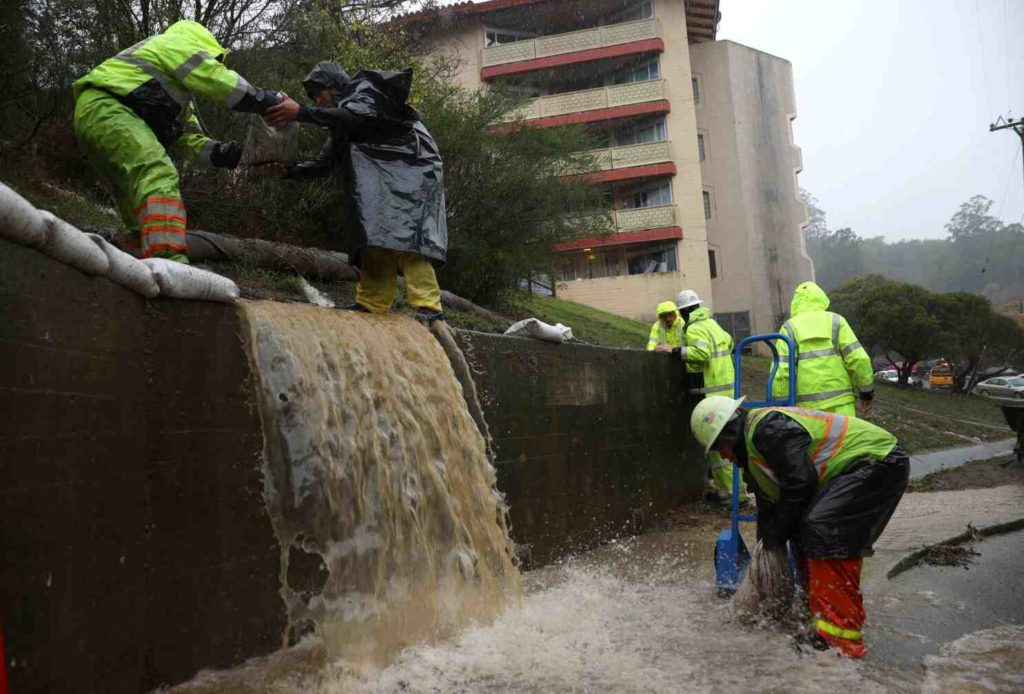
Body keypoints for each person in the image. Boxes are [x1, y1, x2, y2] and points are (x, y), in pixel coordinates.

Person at [691, 395, 909, 658]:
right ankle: (819, 617)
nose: (724, 458)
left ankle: (841, 644)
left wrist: (776, 534)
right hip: (858, 468)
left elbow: (800, 482)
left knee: (824, 530)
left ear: (728, 435)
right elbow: (770, 508)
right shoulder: (754, 450)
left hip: (877, 461)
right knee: (802, 532)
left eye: (720, 449)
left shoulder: (767, 431)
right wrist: (768, 547)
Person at [73, 20, 283, 263]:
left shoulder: (180, 101)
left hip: (98, 117)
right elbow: (218, 80)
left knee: (138, 206)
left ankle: (132, 255)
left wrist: (236, 154)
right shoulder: (174, 43)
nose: (212, 63)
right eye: (212, 58)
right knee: (158, 174)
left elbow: (189, 142)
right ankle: (168, 262)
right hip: (107, 108)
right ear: (201, 46)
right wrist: (268, 101)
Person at [263, 62, 447, 323]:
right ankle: (372, 301)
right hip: (385, 173)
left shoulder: (365, 91)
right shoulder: (343, 119)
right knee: (373, 234)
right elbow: (324, 162)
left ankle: (429, 306)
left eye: (319, 92)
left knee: (410, 237)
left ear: (334, 85)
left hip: (414, 166)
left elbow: (353, 118)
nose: (318, 99)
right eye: (313, 97)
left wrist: (301, 112)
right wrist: (290, 171)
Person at [672, 289, 751, 506]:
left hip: (712, 395)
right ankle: (740, 494)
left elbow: (701, 355)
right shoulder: (713, 324)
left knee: (719, 450)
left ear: (684, 312)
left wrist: (677, 351)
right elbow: (730, 343)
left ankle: (732, 499)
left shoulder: (695, 329)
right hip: (727, 392)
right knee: (732, 445)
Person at [773, 281, 875, 417]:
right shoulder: (837, 321)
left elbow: (781, 371)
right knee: (845, 438)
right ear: (822, 299)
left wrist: (781, 405)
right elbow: (858, 358)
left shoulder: (789, 328)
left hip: (807, 411)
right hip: (842, 406)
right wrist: (866, 393)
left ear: (796, 303)